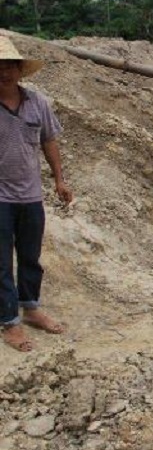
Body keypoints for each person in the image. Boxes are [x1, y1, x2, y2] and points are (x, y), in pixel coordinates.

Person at [0, 37, 73, 352]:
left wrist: (59, 179)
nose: (3, 73)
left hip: (30, 195)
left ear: (19, 70)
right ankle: (9, 322)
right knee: (1, 261)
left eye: (9, 66)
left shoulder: (37, 103)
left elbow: (49, 141)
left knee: (30, 256)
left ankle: (30, 307)